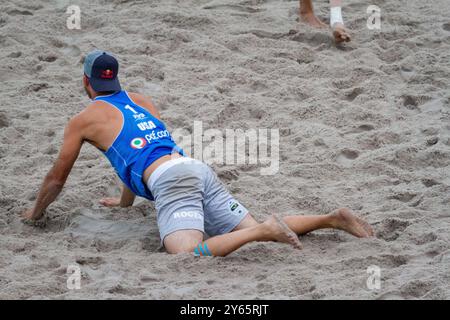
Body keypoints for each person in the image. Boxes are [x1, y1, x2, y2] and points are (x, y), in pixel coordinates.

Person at [21, 50, 373, 257]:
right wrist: (125, 202)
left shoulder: (83, 120)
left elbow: (57, 177)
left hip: (171, 182)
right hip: (193, 168)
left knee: (189, 254)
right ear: (116, 79)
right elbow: (142, 149)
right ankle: (331, 219)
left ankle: (261, 231)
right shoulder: (140, 102)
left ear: (86, 82)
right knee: (247, 225)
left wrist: (35, 213)